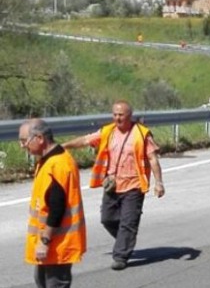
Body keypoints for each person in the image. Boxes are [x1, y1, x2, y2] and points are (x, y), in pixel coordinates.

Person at [63, 100, 164, 271]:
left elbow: (153, 159)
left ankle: (121, 256)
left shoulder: (142, 134)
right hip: (112, 185)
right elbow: (86, 140)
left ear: (129, 116)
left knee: (128, 222)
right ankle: (125, 239)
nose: (117, 118)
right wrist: (64, 146)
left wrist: (159, 183)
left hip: (134, 185)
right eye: (115, 114)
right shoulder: (108, 131)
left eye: (121, 115)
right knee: (107, 219)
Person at [20, 118, 87, 288]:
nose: (22, 146)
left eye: (24, 141)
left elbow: (56, 208)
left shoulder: (58, 165)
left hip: (57, 244)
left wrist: (44, 242)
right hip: (53, 243)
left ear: (40, 138)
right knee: (42, 281)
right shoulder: (48, 161)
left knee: (55, 284)